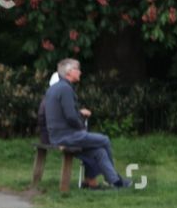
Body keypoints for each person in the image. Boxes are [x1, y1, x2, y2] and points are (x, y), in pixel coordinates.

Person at [44, 58, 128, 189]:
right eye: (77, 69)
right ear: (69, 72)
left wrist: (78, 114)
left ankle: (105, 182)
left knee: (99, 151)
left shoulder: (55, 88)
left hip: (56, 135)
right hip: (66, 136)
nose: (80, 72)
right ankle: (114, 179)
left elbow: (63, 112)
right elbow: (71, 117)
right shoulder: (66, 89)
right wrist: (81, 127)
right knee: (104, 140)